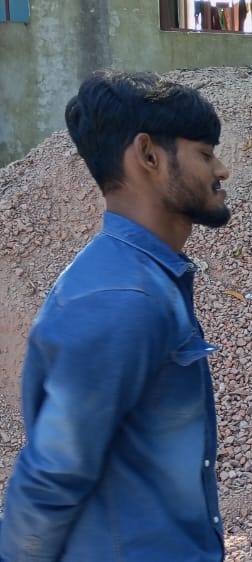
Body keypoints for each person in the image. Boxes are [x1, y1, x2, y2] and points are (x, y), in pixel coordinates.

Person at [0, 70, 231, 561]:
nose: (222, 169)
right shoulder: (123, 299)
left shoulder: (141, 278)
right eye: (205, 153)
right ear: (148, 155)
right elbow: (53, 475)